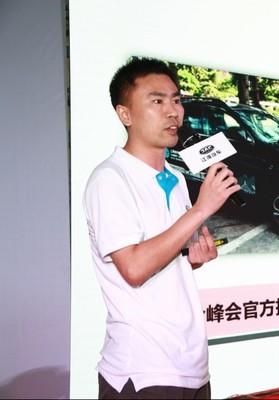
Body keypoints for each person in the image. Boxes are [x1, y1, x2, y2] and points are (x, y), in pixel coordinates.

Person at [83, 57, 240, 399]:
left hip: (191, 364)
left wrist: (194, 257)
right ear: (125, 114)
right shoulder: (110, 179)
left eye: (176, 100)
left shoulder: (178, 179)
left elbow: (167, 257)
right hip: (142, 368)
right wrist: (200, 210)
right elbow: (134, 268)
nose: (173, 112)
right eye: (157, 101)